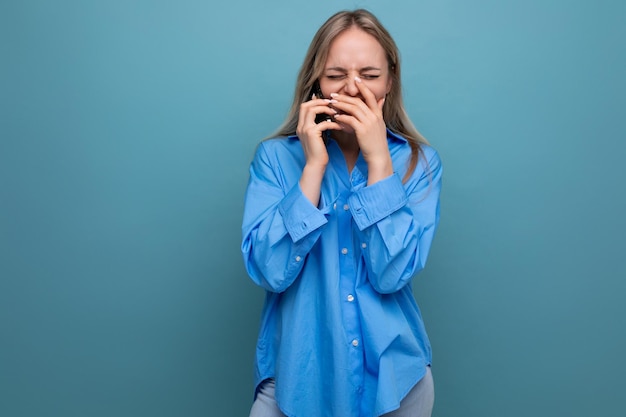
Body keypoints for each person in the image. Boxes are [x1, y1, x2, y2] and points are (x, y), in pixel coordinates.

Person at [241, 9, 442, 417]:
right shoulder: (276, 159)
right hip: (295, 381)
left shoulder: (419, 164)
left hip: (395, 383)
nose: (353, 89)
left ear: (390, 79)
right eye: (336, 75)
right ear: (316, 81)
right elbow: (269, 271)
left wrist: (378, 160)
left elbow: (391, 274)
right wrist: (312, 168)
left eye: (369, 75)